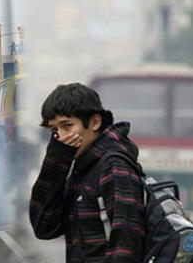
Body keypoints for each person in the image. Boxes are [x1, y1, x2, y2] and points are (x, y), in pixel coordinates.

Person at [29, 83, 145, 262]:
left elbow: (127, 243)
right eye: (54, 131)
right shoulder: (82, 168)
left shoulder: (113, 165)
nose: (60, 136)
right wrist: (56, 161)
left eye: (67, 126)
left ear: (95, 122)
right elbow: (44, 227)